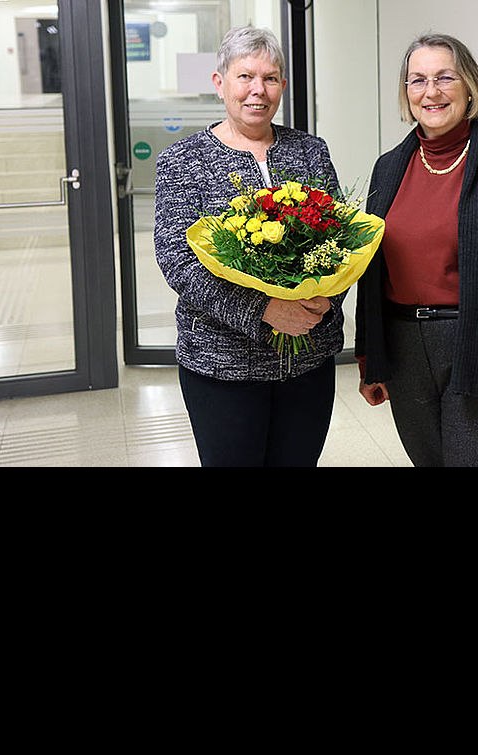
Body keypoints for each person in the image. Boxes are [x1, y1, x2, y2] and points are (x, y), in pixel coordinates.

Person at [354, 34, 478, 467]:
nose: (431, 91)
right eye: (418, 80)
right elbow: (371, 270)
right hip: (406, 352)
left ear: (470, 87)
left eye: (445, 77)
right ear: (407, 92)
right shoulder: (388, 168)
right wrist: (371, 356)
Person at [154, 26, 344, 467]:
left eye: (270, 78)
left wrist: (322, 301)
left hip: (308, 361)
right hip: (223, 366)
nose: (258, 89)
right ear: (219, 83)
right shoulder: (183, 161)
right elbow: (178, 261)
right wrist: (264, 311)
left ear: (282, 86)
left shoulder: (310, 151)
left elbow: (342, 241)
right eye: (245, 76)